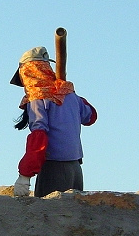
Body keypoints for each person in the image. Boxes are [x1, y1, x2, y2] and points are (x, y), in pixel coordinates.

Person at [11, 47, 97, 197]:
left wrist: (25, 175)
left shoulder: (38, 98)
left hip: (53, 168)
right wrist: (71, 93)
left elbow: (39, 137)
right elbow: (91, 117)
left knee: (47, 217)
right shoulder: (70, 96)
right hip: (75, 170)